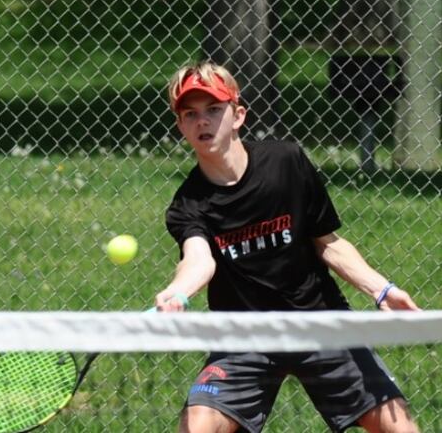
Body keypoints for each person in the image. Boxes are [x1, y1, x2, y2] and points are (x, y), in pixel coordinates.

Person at [155, 61, 421, 433]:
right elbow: (199, 259)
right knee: (196, 426)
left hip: (318, 320)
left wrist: (382, 290)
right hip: (242, 338)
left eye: (214, 109)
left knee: (399, 427)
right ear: (181, 126)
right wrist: (177, 293)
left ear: (238, 115)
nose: (203, 121)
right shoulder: (189, 204)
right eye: (190, 114)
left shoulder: (286, 163)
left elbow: (327, 242)